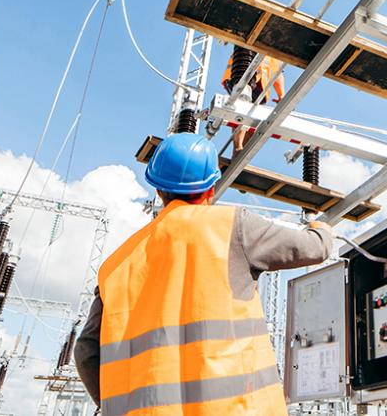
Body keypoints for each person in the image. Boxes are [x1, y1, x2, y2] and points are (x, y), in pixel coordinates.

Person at [74, 133, 334, 415]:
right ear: (210, 188)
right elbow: (316, 248)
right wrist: (320, 226)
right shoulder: (233, 227)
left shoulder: (116, 264)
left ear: (159, 190)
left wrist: (117, 404)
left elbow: (86, 351)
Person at [221, 48, 286, 151]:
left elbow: (278, 72)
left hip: (260, 85)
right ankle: (238, 147)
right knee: (243, 103)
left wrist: (281, 95)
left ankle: (240, 151)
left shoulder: (276, 51)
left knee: (253, 116)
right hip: (240, 74)